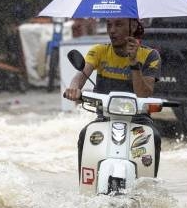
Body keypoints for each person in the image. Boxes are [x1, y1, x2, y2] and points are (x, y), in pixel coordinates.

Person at [63, 17, 162, 168]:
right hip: (105, 119)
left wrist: (134, 62)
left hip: (138, 120)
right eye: (109, 25)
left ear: (133, 26)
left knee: (153, 137)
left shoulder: (151, 56)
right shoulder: (99, 51)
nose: (112, 30)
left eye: (119, 24)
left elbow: (143, 94)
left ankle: (148, 186)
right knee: (85, 134)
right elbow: (80, 77)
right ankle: (86, 188)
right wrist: (74, 88)